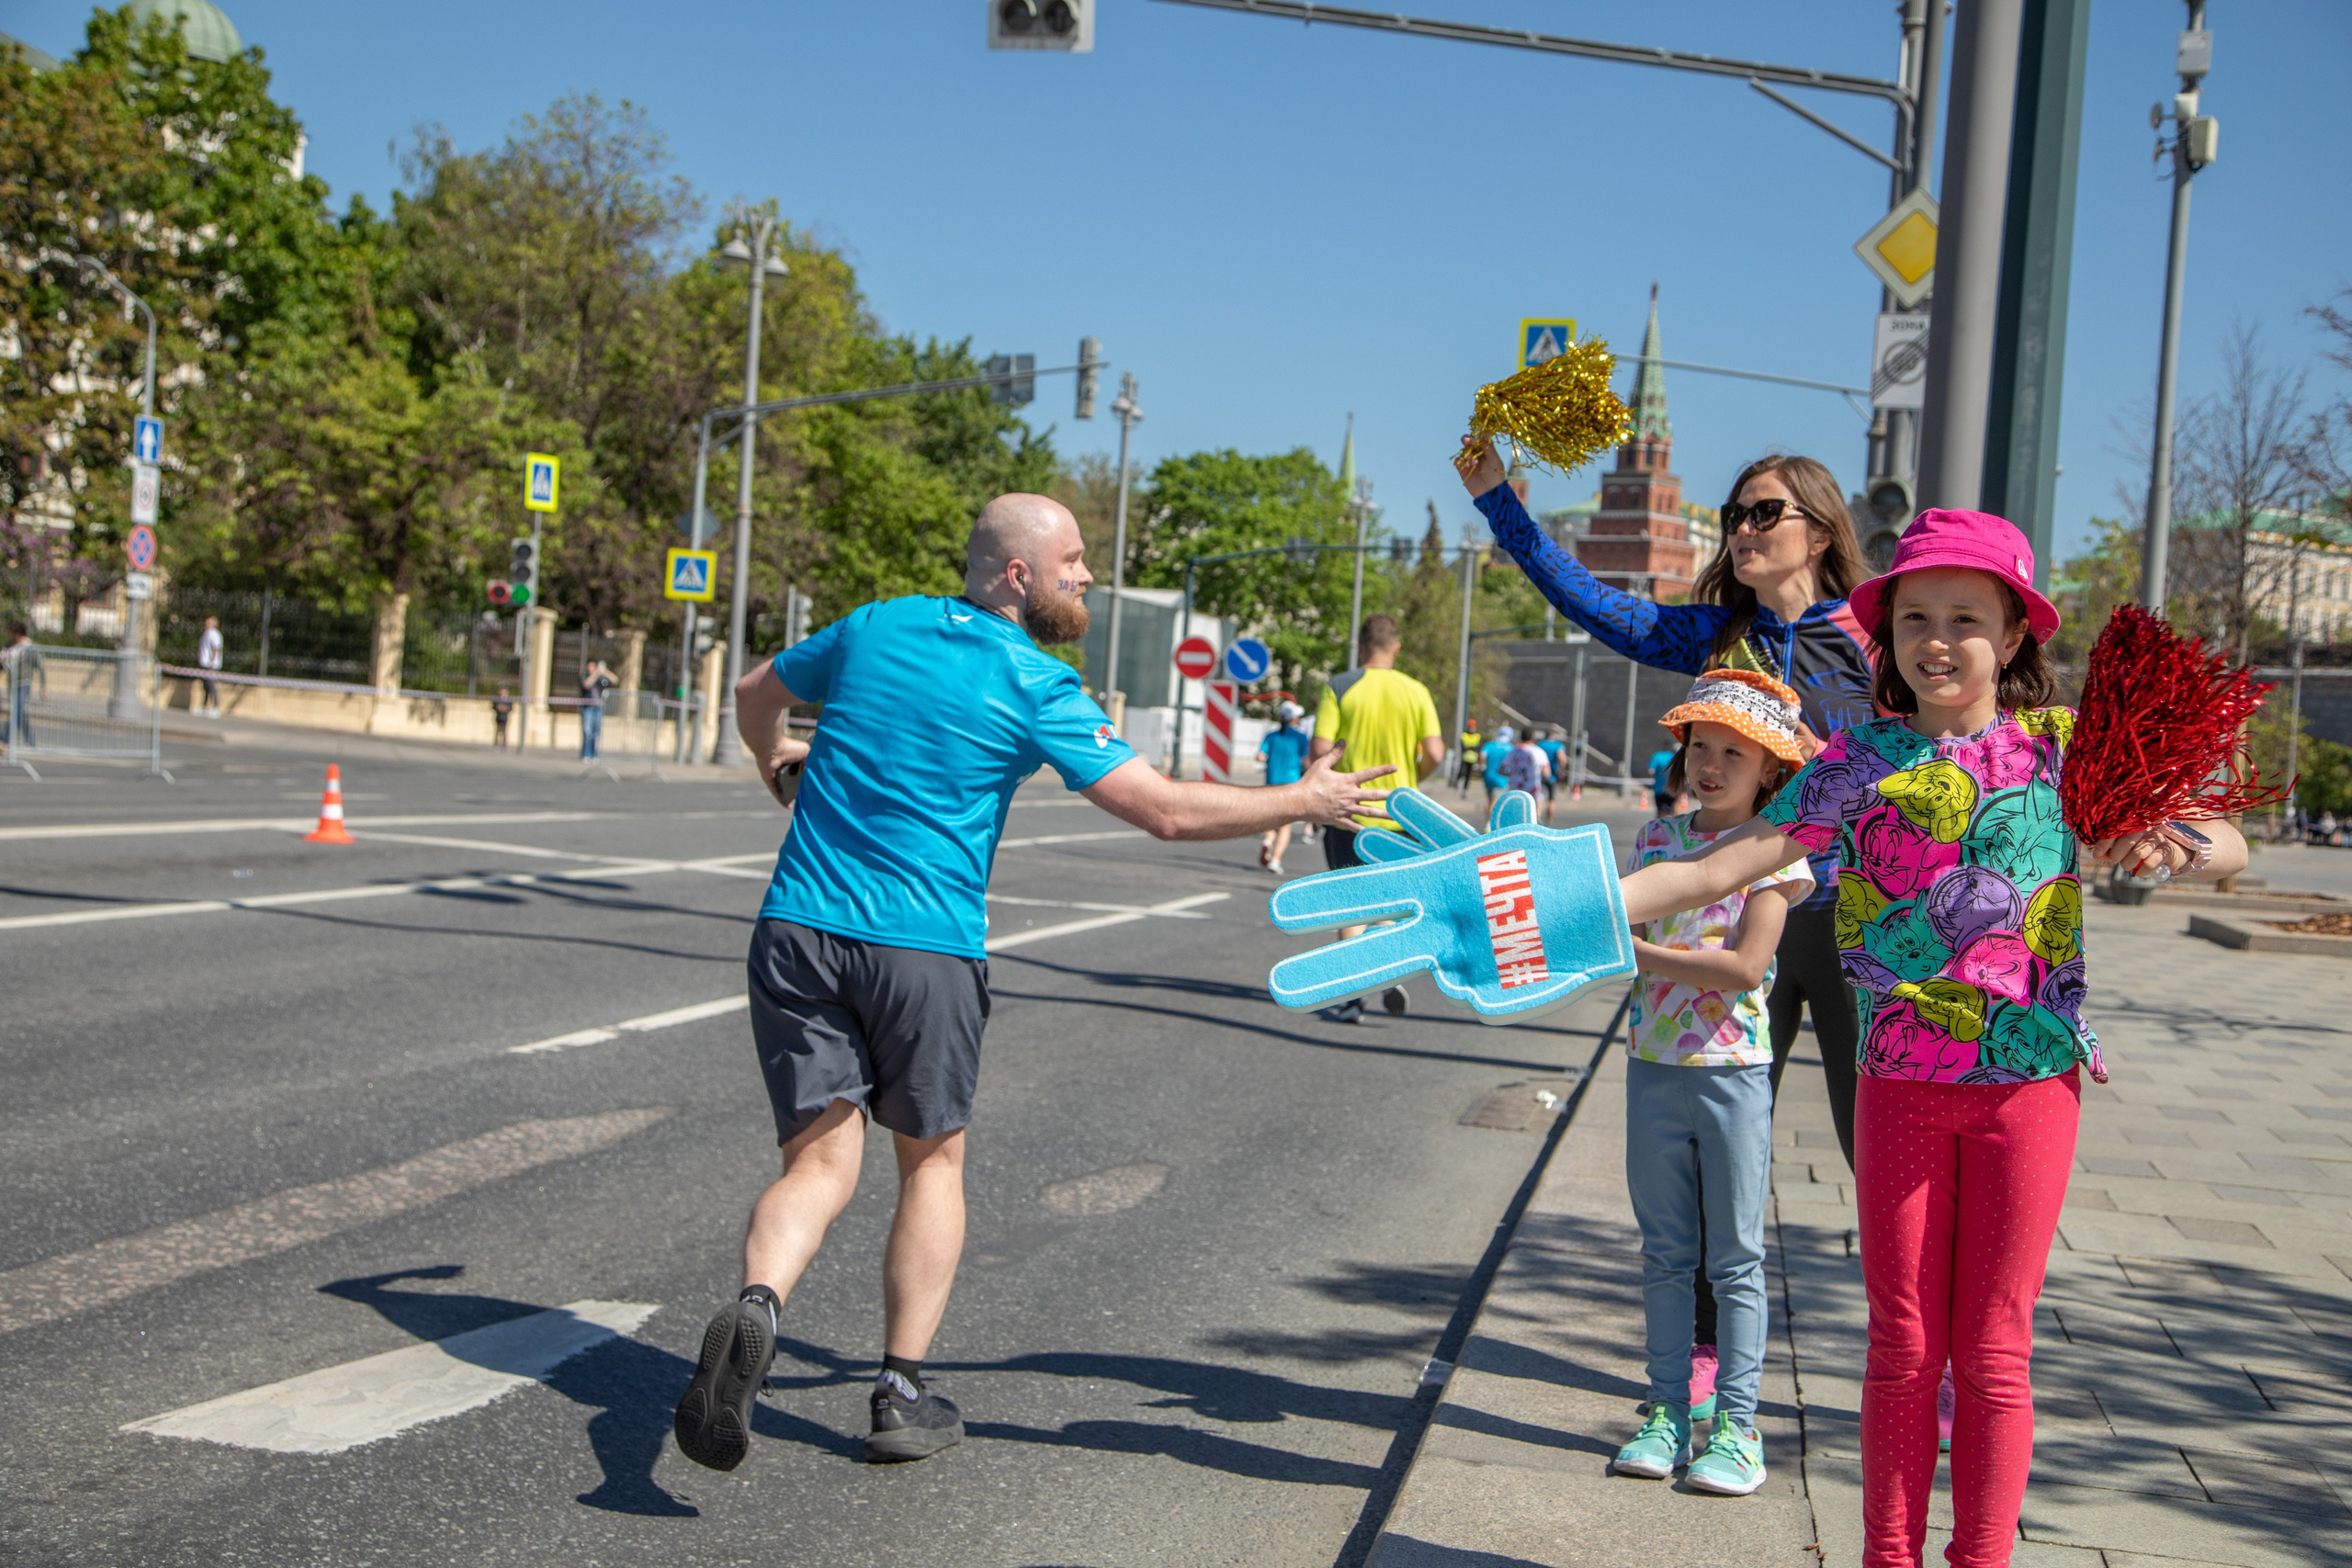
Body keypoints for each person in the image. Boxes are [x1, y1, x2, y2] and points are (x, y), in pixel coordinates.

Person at [675, 492, 1394, 1472]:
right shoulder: (1034, 683)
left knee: (816, 1168)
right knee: (930, 1164)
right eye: (1074, 560)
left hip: (797, 929)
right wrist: (1303, 798)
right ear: (1018, 575)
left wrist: (777, 769)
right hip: (923, 950)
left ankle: (757, 1304)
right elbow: (1166, 813)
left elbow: (758, 691)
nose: (1087, 575)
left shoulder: (875, 623)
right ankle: (897, 1391)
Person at [1616, 509, 2247, 1565]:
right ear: (1889, 637)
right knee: (1902, 1347)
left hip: (2029, 1088)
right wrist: (1583, 901)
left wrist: (2174, 845)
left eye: (1966, 617)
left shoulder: (2062, 751)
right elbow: (1718, 865)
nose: (1938, 639)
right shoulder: (1855, 762)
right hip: (1901, 1081)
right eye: (1915, 617)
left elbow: (2223, 838)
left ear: (2012, 638)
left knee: (1993, 1351)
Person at [1461, 439, 1876, 1174]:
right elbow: (1594, 602)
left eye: (1765, 512)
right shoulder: (1720, 636)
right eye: (1734, 515)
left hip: (1859, 920)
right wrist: (1499, 499)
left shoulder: (1876, 636)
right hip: (1740, 908)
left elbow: (1940, 764)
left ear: (1818, 532)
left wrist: (1843, 773)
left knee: (1871, 1155)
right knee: (1719, 1155)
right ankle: (1709, 1293)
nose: (1742, 528)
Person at [1612, 669, 1812, 1497]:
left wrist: (1638, 954)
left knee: (1733, 1259)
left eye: (1736, 751)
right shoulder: (1656, 843)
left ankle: (1737, 1426)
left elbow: (1743, 968)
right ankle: (1664, 1411)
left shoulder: (1775, 856)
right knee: (1664, 1254)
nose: (1712, 763)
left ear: (1771, 770)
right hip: (1654, 1067)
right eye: (1701, 745)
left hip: (1732, 1074)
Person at [1311, 612, 1446, 1023]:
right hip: (1398, 816)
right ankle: (1386, 963)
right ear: (1396, 647)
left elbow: (1320, 750)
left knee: (1351, 905)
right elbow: (1437, 753)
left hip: (1348, 812)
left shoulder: (1339, 687)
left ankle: (1352, 995)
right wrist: (1410, 785)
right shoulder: (1415, 690)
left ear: (1360, 646)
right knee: (1388, 898)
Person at [1256, 699, 1313, 874]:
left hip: (1272, 782)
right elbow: (1306, 761)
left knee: (1271, 820)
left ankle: (1267, 841)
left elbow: (1259, 756)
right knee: (1286, 825)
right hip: (1291, 784)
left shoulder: (1271, 736)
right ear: (1294, 718)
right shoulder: (1300, 738)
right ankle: (1276, 859)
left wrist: (1271, 761)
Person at [4, 623, 41, 750]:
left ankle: (5, 738)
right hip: (12, 682)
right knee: (19, 712)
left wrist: (43, 687)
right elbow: (3, 664)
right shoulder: (9, 646)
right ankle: (29, 741)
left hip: (24, 682)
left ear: (17, 633)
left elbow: (40, 666)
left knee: (17, 709)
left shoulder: (29, 646)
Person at [579, 660, 616, 761]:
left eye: (593, 667)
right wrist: (594, 674)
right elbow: (587, 684)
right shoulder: (585, 676)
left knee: (596, 732)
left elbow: (615, 680)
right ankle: (585, 754)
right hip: (587, 707)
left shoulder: (600, 678)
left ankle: (594, 755)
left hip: (598, 708)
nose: (591, 669)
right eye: (589, 667)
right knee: (587, 731)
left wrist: (605, 671)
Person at [1501, 725, 1550, 802]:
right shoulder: (1539, 752)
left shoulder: (1513, 751)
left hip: (1516, 789)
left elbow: (1501, 769)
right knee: (1534, 810)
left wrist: (1512, 774)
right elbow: (1547, 773)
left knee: (1516, 811)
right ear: (1533, 738)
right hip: (1533, 789)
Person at [1536, 726, 1568, 823]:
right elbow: (1562, 759)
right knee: (1551, 799)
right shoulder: (1557, 745)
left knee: (1539, 797)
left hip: (1540, 775)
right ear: (1553, 736)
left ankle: (1538, 817)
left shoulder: (1539, 745)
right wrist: (1561, 770)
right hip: (1552, 775)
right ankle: (1549, 821)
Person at [1479, 724, 1514, 811]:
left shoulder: (1490, 745)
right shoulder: (1511, 748)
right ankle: (1489, 822)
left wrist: (1481, 766)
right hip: (1502, 778)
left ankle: (1487, 820)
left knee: (1490, 800)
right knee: (1495, 802)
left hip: (1488, 776)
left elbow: (1482, 755)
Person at [195, 615, 224, 716]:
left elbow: (216, 648)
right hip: (204, 663)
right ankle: (204, 706)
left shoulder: (214, 634)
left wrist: (212, 662)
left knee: (211, 685)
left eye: (209, 621)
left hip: (210, 665)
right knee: (205, 686)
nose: (206, 622)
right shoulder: (206, 633)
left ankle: (215, 707)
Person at [1647, 743, 1679, 817]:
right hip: (1671, 789)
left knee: (1660, 811)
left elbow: (1651, 771)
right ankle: (1669, 827)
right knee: (1669, 811)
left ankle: (1658, 827)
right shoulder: (1673, 756)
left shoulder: (1657, 756)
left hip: (1658, 789)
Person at [491, 686, 514, 750]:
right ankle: (496, 743)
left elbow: (511, 708)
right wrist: (498, 707)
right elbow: (493, 706)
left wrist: (505, 708)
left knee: (504, 730)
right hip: (498, 716)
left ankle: (504, 744)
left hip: (505, 717)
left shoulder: (508, 700)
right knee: (497, 730)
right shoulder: (497, 699)